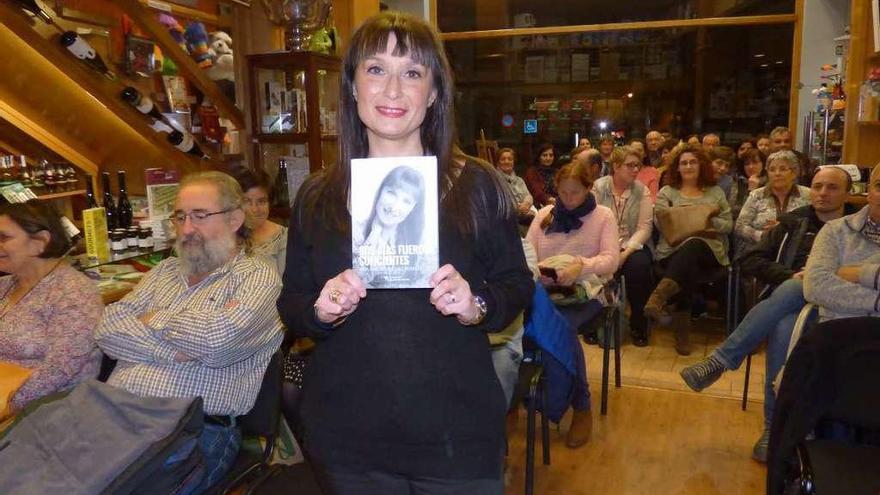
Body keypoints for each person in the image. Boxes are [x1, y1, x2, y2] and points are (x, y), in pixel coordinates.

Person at [276, 12, 533, 493]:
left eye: (412, 72)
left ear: (434, 93)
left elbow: (516, 285)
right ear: (352, 87)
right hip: (348, 441)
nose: (393, 90)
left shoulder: (477, 186)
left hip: (455, 439)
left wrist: (476, 304)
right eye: (375, 70)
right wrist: (321, 310)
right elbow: (292, 303)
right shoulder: (317, 196)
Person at [95, 171, 284, 492]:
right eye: (180, 216)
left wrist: (155, 319)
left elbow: (215, 343)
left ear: (235, 219)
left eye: (200, 216)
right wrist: (174, 348)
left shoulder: (258, 277)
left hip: (194, 431)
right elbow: (107, 328)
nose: (186, 229)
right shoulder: (165, 271)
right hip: (118, 416)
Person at [679, 166, 856, 463]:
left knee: (794, 293)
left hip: (835, 308)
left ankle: (721, 361)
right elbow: (749, 259)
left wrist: (813, 278)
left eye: (832, 187)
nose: (823, 193)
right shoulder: (793, 223)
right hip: (791, 306)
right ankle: (774, 429)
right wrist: (789, 275)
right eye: (817, 186)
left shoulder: (855, 228)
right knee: (784, 323)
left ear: (848, 193)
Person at [526, 160, 619, 448]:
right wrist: (539, 271)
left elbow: (611, 260)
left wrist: (582, 266)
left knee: (560, 329)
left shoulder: (603, 216)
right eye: (562, 193)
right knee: (522, 326)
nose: (567, 199)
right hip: (547, 290)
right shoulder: (544, 215)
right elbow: (527, 252)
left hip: (588, 291)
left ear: (589, 188)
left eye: (574, 193)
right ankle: (523, 397)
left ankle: (581, 404)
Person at [0, 200, 102, 412]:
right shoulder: (6, 284)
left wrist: (8, 403)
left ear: (41, 241)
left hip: (47, 411)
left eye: (4, 238)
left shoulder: (73, 294)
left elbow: (59, 369)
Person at [647, 143, 733, 356]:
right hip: (671, 250)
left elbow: (728, 224)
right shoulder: (667, 192)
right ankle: (681, 330)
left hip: (709, 252)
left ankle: (661, 296)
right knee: (687, 262)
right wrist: (701, 217)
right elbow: (661, 223)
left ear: (701, 165)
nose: (688, 166)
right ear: (676, 167)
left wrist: (698, 222)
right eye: (683, 162)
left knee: (693, 244)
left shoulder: (715, 192)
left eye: (692, 162)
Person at [593, 146, 653, 346]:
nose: (635, 170)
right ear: (616, 166)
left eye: (638, 165)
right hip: (602, 243)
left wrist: (624, 253)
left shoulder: (641, 190)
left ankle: (638, 323)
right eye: (630, 165)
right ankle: (594, 323)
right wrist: (609, 252)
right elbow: (592, 223)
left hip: (631, 245)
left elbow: (645, 228)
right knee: (594, 267)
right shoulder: (599, 187)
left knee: (640, 267)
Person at [803, 164, 880, 322]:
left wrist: (859, 274)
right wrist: (876, 301)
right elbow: (815, 286)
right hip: (840, 328)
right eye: (879, 186)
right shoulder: (836, 230)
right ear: (868, 192)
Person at [353, 165, 429, 288]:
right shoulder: (356, 232)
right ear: (380, 191)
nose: (395, 206)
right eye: (391, 193)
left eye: (406, 201)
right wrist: (374, 235)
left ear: (413, 208)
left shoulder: (421, 243)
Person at [734, 150, 811, 253]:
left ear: (794, 173)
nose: (777, 173)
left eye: (783, 169)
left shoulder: (808, 195)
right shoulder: (756, 195)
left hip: (795, 251)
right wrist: (763, 235)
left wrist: (785, 229)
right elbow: (740, 226)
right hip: (759, 251)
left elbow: (813, 225)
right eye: (772, 169)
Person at [234, 168, 288, 275]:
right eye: (247, 201)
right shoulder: (224, 236)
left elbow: (287, 285)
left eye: (261, 201)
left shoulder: (283, 237)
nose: (254, 209)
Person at [494, 147, 534, 219]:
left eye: (510, 159)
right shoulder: (495, 180)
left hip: (525, 211)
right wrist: (518, 208)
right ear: (498, 162)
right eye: (503, 159)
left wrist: (526, 204)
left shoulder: (519, 180)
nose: (507, 161)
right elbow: (499, 202)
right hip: (508, 216)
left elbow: (528, 196)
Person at [728, 148, 768, 219]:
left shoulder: (770, 183)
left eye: (755, 162)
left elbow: (766, 210)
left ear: (763, 164)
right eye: (747, 164)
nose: (751, 167)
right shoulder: (737, 183)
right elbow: (733, 212)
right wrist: (751, 191)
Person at [525, 142, 558, 208]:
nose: (548, 158)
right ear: (539, 157)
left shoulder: (558, 172)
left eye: (551, 155)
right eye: (544, 155)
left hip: (557, 203)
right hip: (539, 204)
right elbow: (537, 193)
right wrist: (550, 199)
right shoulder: (532, 172)